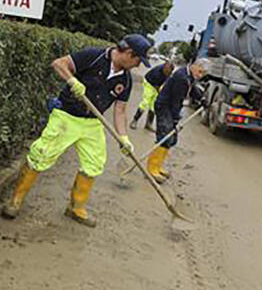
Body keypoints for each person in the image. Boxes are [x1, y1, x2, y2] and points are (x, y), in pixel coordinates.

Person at [1, 34, 152, 228]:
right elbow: (58, 64)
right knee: (41, 154)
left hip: (92, 123)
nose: (138, 65)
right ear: (129, 53)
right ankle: (15, 201)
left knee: (94, 163)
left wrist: (123, 137)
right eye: (138, 60)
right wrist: (72, 80)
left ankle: (76, 207)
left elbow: (120, 110)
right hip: (66, 116)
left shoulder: (126, 80)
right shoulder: (94, 56)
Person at [147, 59, 208, 184]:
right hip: (164, 107)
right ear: (194, 66)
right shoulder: (181, 77)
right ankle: (152, 168)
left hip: (170, 108)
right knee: (165, 137)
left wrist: (201, 98)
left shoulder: (189, 75)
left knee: (172, 140)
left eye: (203, 74)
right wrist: (175, 119)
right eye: (200, 71)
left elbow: (192, 89)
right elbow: (177, 101)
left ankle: (158, 166)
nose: (200, 75)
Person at [129, 61, 174, 131]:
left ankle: (148, 124)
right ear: (164, 67)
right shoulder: (157, 72)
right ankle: (134, 120)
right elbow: (156, 85)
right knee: (145, 102)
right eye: (166, 71)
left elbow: (165, 83)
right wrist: (160, 91)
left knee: (153, 105)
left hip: (156, 85)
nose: (167, 73)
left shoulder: (168, 72)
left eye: (169, 72)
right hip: (149, 83)